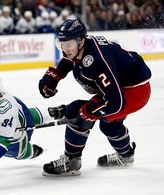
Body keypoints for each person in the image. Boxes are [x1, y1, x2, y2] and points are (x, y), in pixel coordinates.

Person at [38, 18, 151, 176]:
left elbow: (116, 102)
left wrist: (88, 112)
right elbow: (70, 59)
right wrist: (54, 76)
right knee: (108, 123)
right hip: (122, 86)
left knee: (79, 112)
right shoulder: (83, 47)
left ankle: (72, 161)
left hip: (134, 91)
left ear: (81, 41)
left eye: (69, 44)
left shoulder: (97, 61)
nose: (65, 49)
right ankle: (126, 156)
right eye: (62, 44)